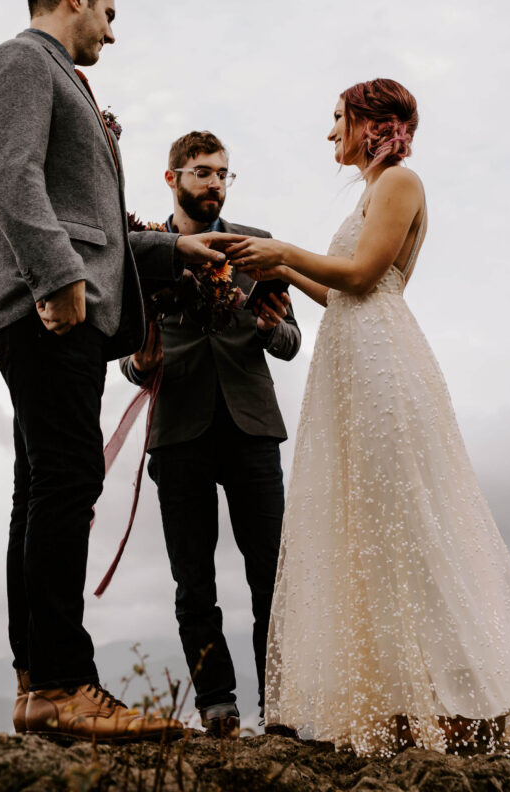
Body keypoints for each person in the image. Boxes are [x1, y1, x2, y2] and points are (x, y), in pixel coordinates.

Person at [227, 79, 510, 755]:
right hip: (351, 359)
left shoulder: (399, 182)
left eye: (338, 119)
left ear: (370, 123)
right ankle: (402, 703)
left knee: (407, 524)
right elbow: (337, 288)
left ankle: (461, 705)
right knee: (368, 528)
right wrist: (278, 277)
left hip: (381, 368)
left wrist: (280, 249)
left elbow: (364, 275)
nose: (329, 132)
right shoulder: (374, 190)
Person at [0, 0, 228, 742]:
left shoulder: (64, 80)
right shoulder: (20, 62)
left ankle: (34, 683)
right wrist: (56, 279)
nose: (112, 35)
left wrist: (172, 252)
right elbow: (9, 177)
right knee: (70, 477)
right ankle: (62, 682)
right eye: (108, 16)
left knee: (43, 485)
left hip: (63, 300)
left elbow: (100, 226)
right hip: (51, 307)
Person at [120, 131, 301, 736]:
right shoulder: (142, 252)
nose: (214, 183)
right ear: (172, 179)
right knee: (193, 579)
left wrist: (274, 327)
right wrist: (140, 365)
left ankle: (281, 707)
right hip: (177, 431)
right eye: (201, 172)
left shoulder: (260, 248)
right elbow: (125, 351)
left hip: (252, 427)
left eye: (223, 173)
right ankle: (216, 705)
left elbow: (291, 343)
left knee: (270, 572)